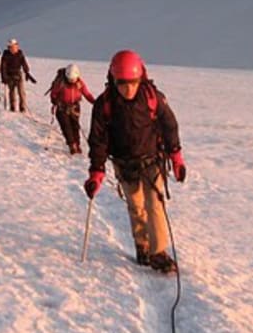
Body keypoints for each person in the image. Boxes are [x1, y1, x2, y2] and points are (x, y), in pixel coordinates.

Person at [84, 49, 187, 274]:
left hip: (152, 161)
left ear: (140, 78)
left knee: (155, 204)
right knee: (136, 206)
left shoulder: (152, 98)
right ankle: (143, 246)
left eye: (132, 83)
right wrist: (96, 172)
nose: (128, 89)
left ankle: (158, 253)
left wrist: (176, 157)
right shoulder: (104, 105)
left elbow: (170, 126)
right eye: (122, 83)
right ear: (113, 79)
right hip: (124, 164)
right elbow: (98, 140)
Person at [49, 63, 95, 154]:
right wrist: (54, 101)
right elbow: (53, 93)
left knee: (75, 126)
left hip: (75, 107)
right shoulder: (60, 83)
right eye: (70, 79)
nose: (71, 81)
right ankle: (72, 145)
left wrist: (95, 103)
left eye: (73, 79)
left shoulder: (80, 83)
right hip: (62, 107)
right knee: (66, 127)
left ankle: (77, 144)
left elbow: (87, 94)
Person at [0, 38, 34, 112]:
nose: (12, 49)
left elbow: (24, 63)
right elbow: (3, 67)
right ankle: (12, 107)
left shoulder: (20, 54)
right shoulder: (6, 55)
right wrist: (4, 77)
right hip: (9, 76)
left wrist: (27, 72)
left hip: (18, 74)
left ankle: (22, 108)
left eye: (13, 47)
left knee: (21, 92)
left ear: (16, 46)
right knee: (12, 92)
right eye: (10, 47)